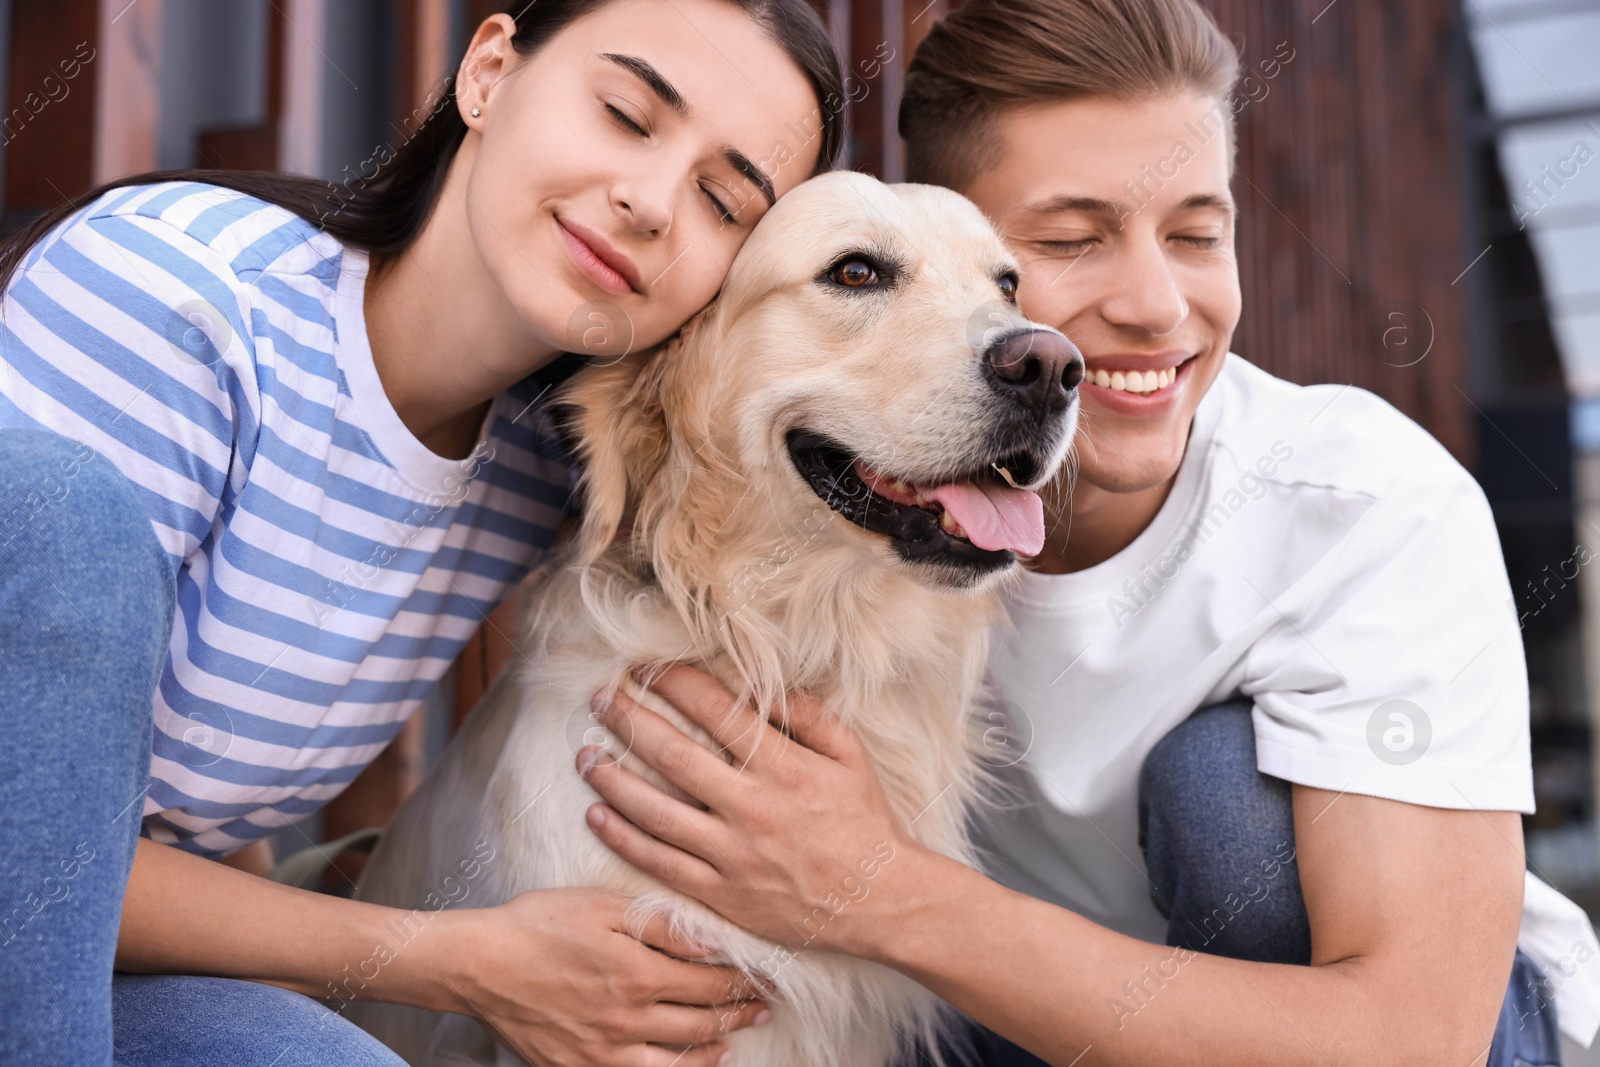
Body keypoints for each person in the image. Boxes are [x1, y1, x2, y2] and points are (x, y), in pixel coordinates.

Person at [575, 0, 1600, 1064]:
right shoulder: (826, 510)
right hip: (1009, 1023)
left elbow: (1413, 1037)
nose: (1158, 305)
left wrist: (877, 892)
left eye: (1200, 234)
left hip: (1395, 1036)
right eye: (1067, 241)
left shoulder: (1360, 508)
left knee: (1221, 794)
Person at [0, 1, 842, 1063]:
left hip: (99, 975)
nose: (649, 201)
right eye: (626, 114)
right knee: (56, 502)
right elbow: (36, 848)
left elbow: (172, 778)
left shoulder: (548, 473)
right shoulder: (172, 293)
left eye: (723, 202)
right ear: (487, 72)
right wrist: (459, 953)